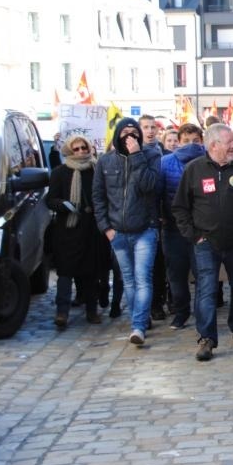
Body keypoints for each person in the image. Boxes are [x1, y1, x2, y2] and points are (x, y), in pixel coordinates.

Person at [172, 124, 233, 361]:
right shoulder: (194, 170)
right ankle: (207, 339)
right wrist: (194, 235)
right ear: (214, 145)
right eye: (229, 142)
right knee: (206, 288)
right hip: (205, 241)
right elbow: (180, 207)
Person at [93, 117, 162, 345]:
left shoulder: (151, 156)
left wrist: (136, 157)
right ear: (117, 135)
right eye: (126, 133)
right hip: (117, 231)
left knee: (143, 279)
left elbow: (150, 186)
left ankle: (138, 326)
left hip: (145, 229)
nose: (130, 137)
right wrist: (106, 228)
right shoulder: (105, 162)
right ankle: (138, 318)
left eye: (135, 133)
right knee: (129, 280)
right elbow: (98, 197)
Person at [47, 135, 104, 327]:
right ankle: (62, 312)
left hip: (91, 229)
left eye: (83, 148)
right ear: (70, 152)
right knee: (65, 273)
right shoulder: (60, 172)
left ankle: (91, 310)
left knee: (91, 272)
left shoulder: (96, 169)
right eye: (76, 149)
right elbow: (50, 199)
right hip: (67, 230)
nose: (81, 152)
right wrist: (64, 205)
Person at [158, 123, 205, 330]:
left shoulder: (208, 161)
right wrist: (160, 216)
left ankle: (203, 314)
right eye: (186, 141)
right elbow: (158, 193)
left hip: (201, 229)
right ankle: (181, 312)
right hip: (173, 228)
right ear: (178, 141)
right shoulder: (165, 162)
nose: (191, 145)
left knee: (203, 275)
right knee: (176, 275)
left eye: (195, 141)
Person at [139, 114, 168, 322]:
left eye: (152, 127)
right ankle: (146, 308)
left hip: (163, 217)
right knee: (144, 267)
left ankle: (158, 302)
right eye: (146, 127)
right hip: (144, 217)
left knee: (160, 264)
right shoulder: (135, 154)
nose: (150, 131)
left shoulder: (165, 154)